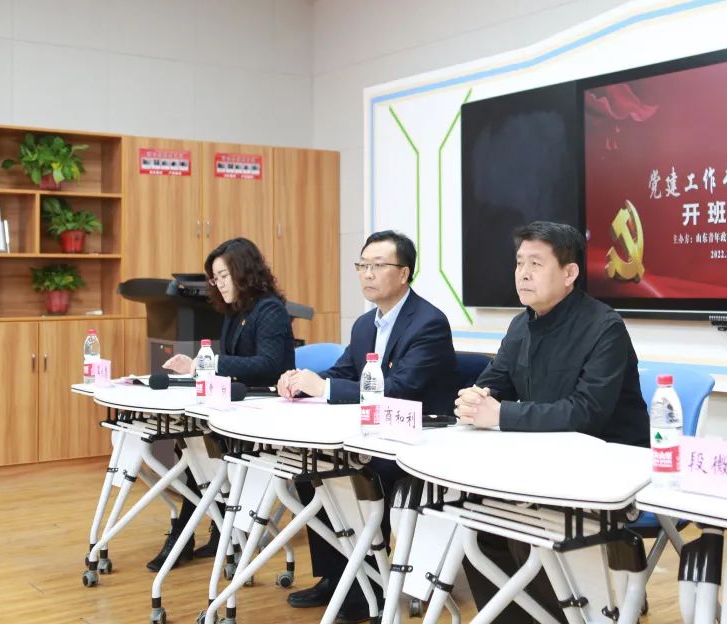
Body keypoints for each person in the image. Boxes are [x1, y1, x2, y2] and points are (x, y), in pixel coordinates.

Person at [454, 221, 648, 623]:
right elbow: (494, 381)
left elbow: (586, 412)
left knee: (527, 525)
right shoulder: (521, 324)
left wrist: (500, 414)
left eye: (536, 264)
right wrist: (473, 399)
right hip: (545, 462)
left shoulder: (605, 327)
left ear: (569, 272)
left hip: (609, 469)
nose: (523, 273)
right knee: (476, 521)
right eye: (519, 263)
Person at [276, 230, 458, 624]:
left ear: (404, 273)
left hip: (418, 443)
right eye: (362, 265)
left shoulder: (428, 323)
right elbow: (344, 372)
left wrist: (324, 388)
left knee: (355, 472)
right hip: (373, 435)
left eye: (378, 266)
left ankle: (371, 588)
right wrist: (302, 381)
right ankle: (337, 578)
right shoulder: (364, 325)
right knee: (311, 468)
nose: (367, 274)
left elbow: (398, 389)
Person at [148, 237, 296, 571]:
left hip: (267, 410)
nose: (219, 284)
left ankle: (186, 536)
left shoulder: (269, 310)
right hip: (239, 404)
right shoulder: (234, 312)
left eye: (224, 276)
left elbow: (269, 365)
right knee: (193, 447)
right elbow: (231, 363)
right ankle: (207, 532)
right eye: (215, 278)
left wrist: (209, 364)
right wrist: (199, 368)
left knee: (199, 448)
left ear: (244, 272)